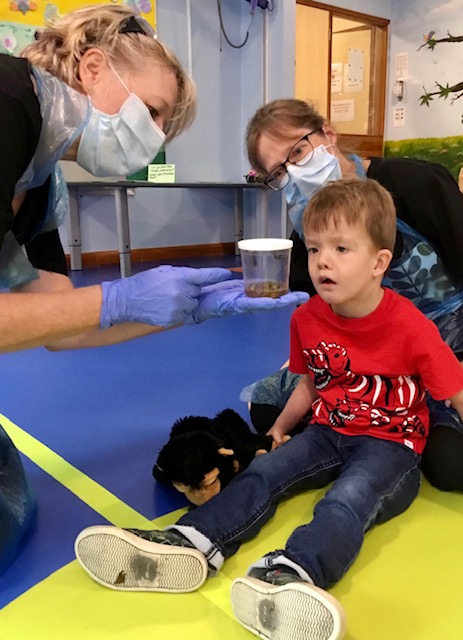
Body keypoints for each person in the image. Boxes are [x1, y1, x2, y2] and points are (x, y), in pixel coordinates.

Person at [74, 178, 463, 640]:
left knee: (347, 500)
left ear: (380, 262)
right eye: (315, 248)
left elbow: (455, 390)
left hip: (390, 445)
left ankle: (293, 574)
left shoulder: (411, 327)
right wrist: (276, 432)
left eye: (341, 248)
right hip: (327, 429)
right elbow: (310, 382)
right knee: (264, 473)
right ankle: (192, 541)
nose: (322, 261)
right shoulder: (308, 317)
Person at [0, 6, 308, 574]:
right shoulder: (8, 99)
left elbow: (56, 325)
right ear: (92, 67)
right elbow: (72, 313)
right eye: (154, 112)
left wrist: (185, 312)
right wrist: (117, 297)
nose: (155, 137)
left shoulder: (42, 186)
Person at [242, 98, 463, 492]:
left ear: (328, 133)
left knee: (450, 466)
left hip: (451, 338)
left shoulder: (416, 183)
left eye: (297, 151)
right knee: (266, 409)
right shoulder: (310, 232)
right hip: (376, 358)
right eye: (277, 173)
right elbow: (313, 311)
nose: (293, 173)